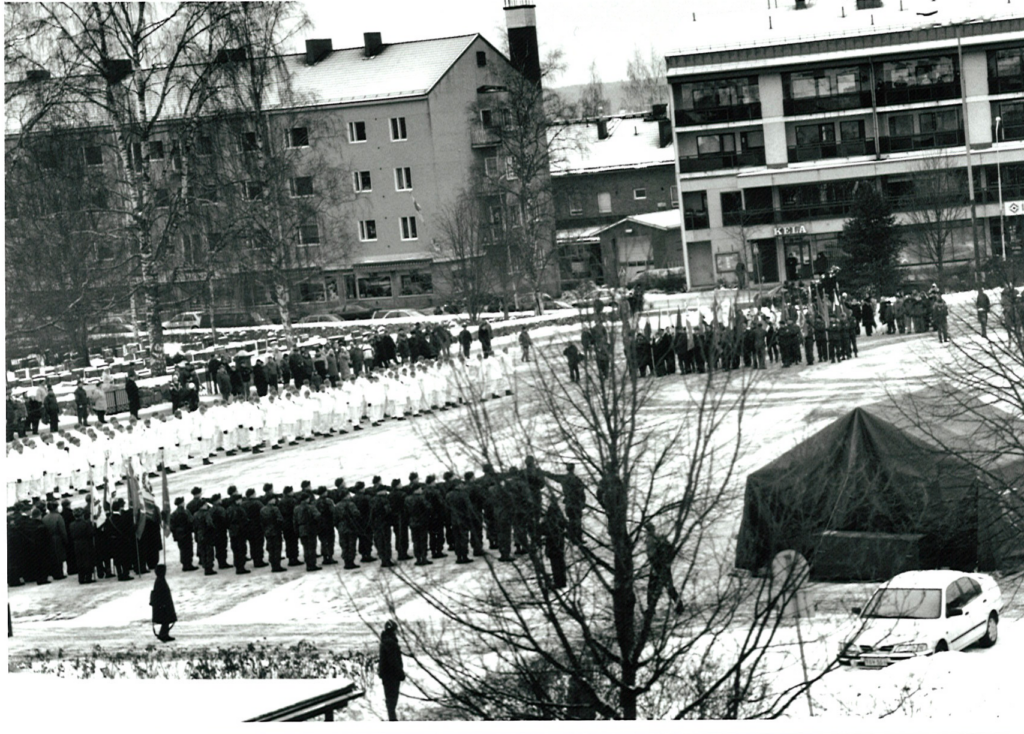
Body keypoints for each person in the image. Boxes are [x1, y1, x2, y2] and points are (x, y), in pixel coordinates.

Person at [645, 522, 683, 616]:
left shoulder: (651, 540)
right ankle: (679, 606)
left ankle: (651, 609)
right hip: (664, 566)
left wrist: (655, 565)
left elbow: (651, 555)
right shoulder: (659, 539)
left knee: (653, 587)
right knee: (667, 586)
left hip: (657, 566)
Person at [378, 620, 405, 721]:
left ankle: (392, 719)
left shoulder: (384, 641)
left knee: (389, 701)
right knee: (392, 701)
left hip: (386, 676)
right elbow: (394, 662)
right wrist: (400, 673)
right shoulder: (391, 643)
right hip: (392, 676)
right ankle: (393, 721)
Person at [150, 564, 177, 643]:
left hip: (163, 604)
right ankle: (163, 635)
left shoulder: (159, 580)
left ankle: (163, 634)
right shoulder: (160, 581)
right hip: (163, 605)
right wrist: (163, 604)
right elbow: (161, 594)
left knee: (166, 620)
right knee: (166, 620)